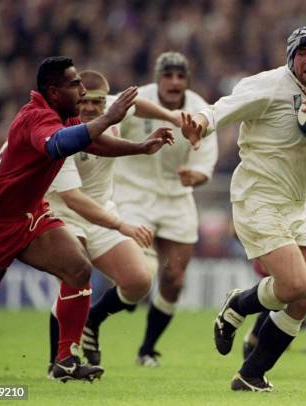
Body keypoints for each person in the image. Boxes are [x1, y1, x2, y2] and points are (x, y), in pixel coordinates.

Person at [180, 26, 306, 391]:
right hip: (259, 196)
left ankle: (250, 374)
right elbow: (222, 108)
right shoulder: (269, 85)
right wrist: (200, 123)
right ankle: (239, 305)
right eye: (302, 52)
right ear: (291, 56)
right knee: (295, 285)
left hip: (300, 204)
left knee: (301, 299)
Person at [0, 56, 173, 382]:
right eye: (75, 84)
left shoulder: (65, 115)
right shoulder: (36, 119)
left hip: (29, 215)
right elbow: (60, 145)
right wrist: (109, 116)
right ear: (53, 91)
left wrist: (140, 146)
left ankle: (64, 359)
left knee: (78, 268)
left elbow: (93, 141)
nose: (82, 89)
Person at [33, 70, 181, 376]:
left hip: (101, 212)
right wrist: (122, 226)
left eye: (98, 103)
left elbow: (135, 103)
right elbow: (73, 198)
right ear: (77, 99)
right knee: (74, 277)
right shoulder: (63, 133)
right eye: (85, 101)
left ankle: (91, 321)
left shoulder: (109, 110)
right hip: (62, 214)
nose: (90, 108)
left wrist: (172, 117)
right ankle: (57, 361)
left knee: (139, 281)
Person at [113, 52, 218, 367]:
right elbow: (108, 115)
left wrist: (194, 176)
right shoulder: (137, 99)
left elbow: (205, 165)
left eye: (180, 76)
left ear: (187, 80)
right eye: (168, 76)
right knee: (139, 276)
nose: (174, 82)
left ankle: (147, 349)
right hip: (133, 193)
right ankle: (111, 308)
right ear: (158, 78)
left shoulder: (201, 111)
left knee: (174, 279)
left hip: (176, 197)